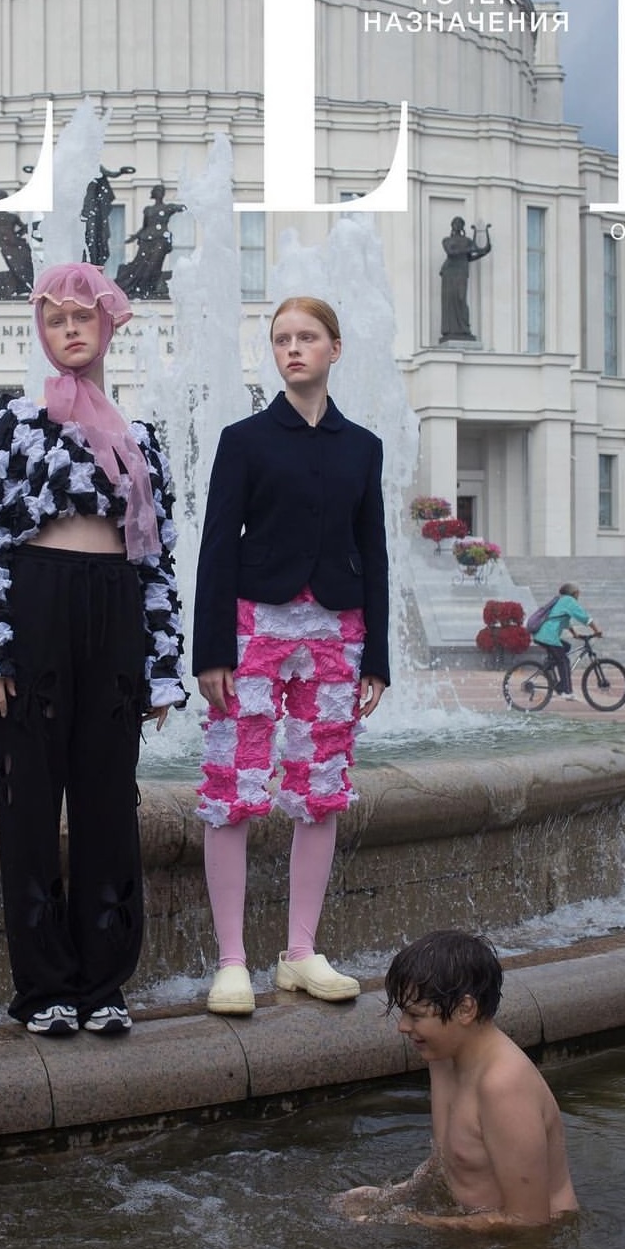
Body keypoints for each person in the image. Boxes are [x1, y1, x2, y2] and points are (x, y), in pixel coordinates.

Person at [0, 262, 185, 1037]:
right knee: (29, 804)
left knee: (110, 803)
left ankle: (103, 984)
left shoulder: (141, 440)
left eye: (83, 317)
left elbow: (157, 560)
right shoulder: (13, 425)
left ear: (108, 326)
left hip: (115, 613)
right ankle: (42, 986)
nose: (70, 330)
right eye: (55, 319)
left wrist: (162, 669)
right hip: (34, 609)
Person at [193, 296, 390, 1017]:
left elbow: (374, 550)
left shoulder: (362, 446)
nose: (293, 349)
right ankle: (232, 961)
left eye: (307, 337)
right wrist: (210, 651)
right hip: (253, 625)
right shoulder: (244, 439)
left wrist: (377, 658)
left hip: (338, 629)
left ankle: (301, 952)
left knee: (321, 784)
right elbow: (217, 546)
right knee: (233, 782)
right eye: (282, 339)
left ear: (334, 348)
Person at [336, 930, 579, 1229]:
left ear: (465, 1009)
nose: (403, 1026)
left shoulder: (503, 1087)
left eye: (415, 1015)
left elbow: (529, 1221)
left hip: (533, 1244)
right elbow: (448, 1158)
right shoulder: (443, 1058)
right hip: (478, 1229)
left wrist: (408, 1221)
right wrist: (392, 1195)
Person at [534, 582, 600, 699]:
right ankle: (566, 691)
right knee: (564, 661)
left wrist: (574, 634)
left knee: (566, 647)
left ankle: (548, 666)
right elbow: (583, 617)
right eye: (578, 593)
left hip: (543, 635)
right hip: (548, 636)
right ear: (574, 593)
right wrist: (597, 630)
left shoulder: (562, 600)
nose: (579, 596)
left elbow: (564, 620)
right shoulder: (569, 600)